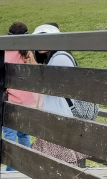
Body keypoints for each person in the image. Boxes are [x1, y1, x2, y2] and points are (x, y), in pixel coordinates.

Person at [30, 24, 83, 166]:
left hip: (60, 115)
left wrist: (32, 62)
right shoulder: (53, 57)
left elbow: (48, 84)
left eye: (45, 38)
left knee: (61, 161)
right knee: (55, 161)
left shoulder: (60, 57)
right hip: (56, 114)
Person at [3, 22, 35, 149]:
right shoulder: (28, 53)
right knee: (24, 135)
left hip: (11, 101)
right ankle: (24, 167)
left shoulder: (3, 52)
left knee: (9, 137)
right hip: (28, 101)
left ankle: (11, 169)